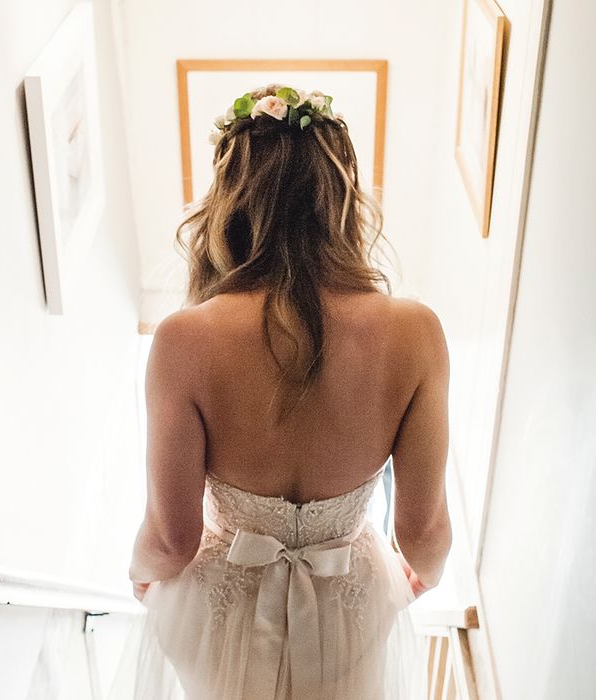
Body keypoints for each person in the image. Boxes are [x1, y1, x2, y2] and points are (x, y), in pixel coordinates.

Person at [114, 83, 452, 700]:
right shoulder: (416, 333)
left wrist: (139, 575)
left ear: (229, 202)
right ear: (343, 196)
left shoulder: (184, 340)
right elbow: (423, 534)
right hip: (350, 607)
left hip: (220, 616)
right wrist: (417, 579)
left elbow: (171, 540)